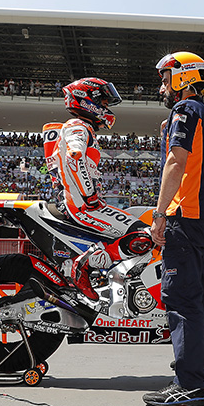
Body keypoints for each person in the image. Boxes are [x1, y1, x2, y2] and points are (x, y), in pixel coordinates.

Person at [144, 52, 204, 406]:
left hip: (184, 217)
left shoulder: (185, 111)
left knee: (182, 300)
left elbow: (176, 163)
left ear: (183, 78)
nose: (161, 85)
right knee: (203, 299)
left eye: (165, 78)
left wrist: (160, 214)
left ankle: (188, 385)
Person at [47, 77, 152, 300]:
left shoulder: (80, 127)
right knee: (145, 236)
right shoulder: (79, 126)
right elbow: (75, 157)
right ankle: (84, 264)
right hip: (83, 207)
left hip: (80, 203)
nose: (106, 108)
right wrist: (90, 196)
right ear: (87, 101)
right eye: (103, 102)